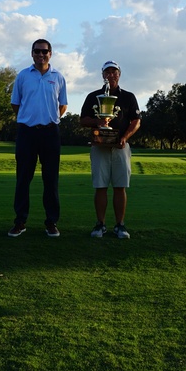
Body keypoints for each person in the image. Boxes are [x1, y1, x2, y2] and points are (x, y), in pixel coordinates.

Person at [8, 39, 68, 238]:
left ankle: (51, 222)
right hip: (27, 132)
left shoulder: (58, 77)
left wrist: (49, 119)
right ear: (32, 53)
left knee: (51, 180)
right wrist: (29, 118)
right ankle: (20, 221)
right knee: (23, 179)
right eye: (37, 51)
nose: (41, 54)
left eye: (44, 51)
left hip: (50, 133)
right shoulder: (23, 76)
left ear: (50, 53)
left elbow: (63, 105)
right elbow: (16, 104)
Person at [79, 60, 141, 239]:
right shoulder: (93, 96)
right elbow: (83, 120)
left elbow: (136, 121)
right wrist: (98, 122)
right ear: (103, 75)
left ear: (119, 75)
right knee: (100, 187)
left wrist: (124, 137)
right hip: (99, 147)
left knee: (120, 187)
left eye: (114, 72)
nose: (111, 75)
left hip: (121, 147)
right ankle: (100, 224)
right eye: (107, 72)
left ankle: (120, 225)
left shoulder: (128, 97)